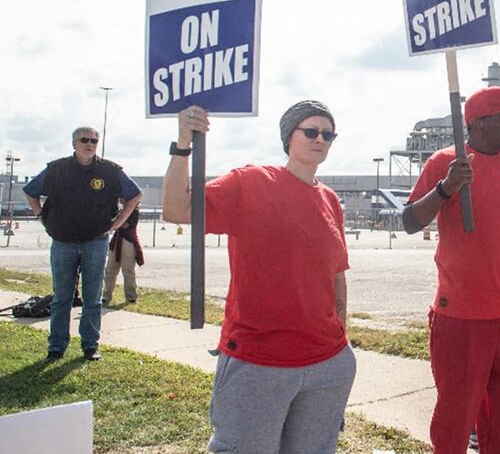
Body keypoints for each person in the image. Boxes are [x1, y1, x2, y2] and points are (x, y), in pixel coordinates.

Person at [163, 101, 355, 453]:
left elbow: (336, 275)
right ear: (288, 137)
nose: (320, 140)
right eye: (310, 131)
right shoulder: (251, 182)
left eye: (328, 134)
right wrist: (183, 144)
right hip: (259, 362)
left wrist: (341, 342)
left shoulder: (329, 199)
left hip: (327, 363)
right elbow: (177, 208)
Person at [403, 86, 500, 454]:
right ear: (476, 123)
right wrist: (446, 188)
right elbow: (409, 220)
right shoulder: (446, 162)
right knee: (455, 422)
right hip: (460, 317)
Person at [24, 126, 143, 362]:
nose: (90, 144)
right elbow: (31, 191)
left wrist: (117, 223)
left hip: (95, 242)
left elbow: (135, 195)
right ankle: (56, 347)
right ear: (74, 143)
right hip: (63, 242)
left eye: (94, 141)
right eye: (85, 140)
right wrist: (41, 217)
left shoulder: (109, 170)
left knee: (92, 297)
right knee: (62, 297)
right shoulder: (57, 169)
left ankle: (90, 346)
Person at [103, 207, 144, 304]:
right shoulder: (119, 210)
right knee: (110, 269)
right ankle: (106, 295)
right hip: (117, 240)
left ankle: (131, 296)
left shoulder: (134, 211)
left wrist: (116, 223)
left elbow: (125, 225)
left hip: (128, 241)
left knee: (128, 270)